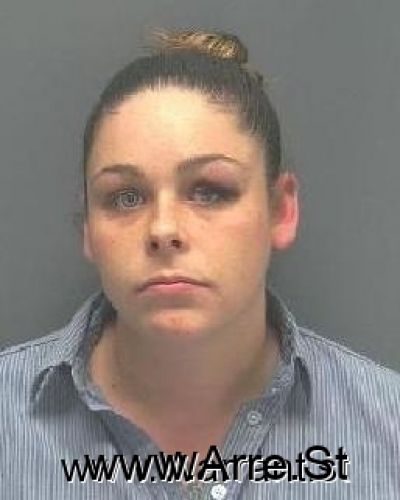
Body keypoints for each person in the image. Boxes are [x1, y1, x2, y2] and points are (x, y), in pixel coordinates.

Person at [1, 28, 399, 500]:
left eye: (210, 191)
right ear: (88, 226)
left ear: (281, 210)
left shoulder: (387, 430)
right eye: (125, 197)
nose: (163, 228)